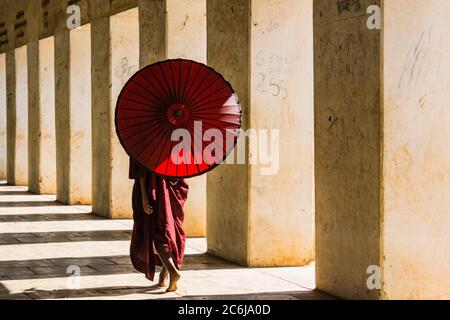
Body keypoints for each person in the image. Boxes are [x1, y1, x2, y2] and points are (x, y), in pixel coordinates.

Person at [129, 157, 189, 292]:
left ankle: (172, 271)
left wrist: (144, 198)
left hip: (155, 189)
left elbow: (141, 172)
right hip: (172, 187)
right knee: (169, 230)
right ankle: (165, 274)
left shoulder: (142, 142)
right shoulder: (173, 141)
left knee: (157, 232)